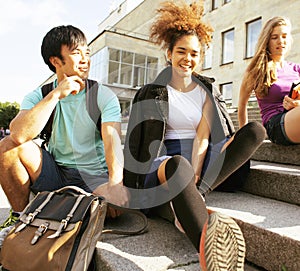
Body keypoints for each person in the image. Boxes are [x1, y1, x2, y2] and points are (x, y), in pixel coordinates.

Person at [123, 1, 266, 270]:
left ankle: (195, 195)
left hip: (203, 159)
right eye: (181, 51)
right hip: (165, 159)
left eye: (194, 53)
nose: (187, 58)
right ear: (169, 53)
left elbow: (203, 137)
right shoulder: (152, 91)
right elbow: (136, 141)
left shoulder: (206, 90)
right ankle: (211, 251)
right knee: (179, 166)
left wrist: (198, 182)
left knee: (255, 130)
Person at [0, 25, 129, 246]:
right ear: (56, 61)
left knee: (117, 210)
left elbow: (112, 142)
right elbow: (19, 135)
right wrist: (56, 94)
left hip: (93, 176)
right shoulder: (39, 96)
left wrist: (116, 184)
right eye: (76, 52)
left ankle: (72, 206)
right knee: (7, 147)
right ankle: (20, 218)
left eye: (87, 52)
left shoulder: (102, 95)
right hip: (56, 174)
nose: (85, 59)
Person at [239, 16, 300, 145]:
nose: (280, 41)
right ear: (267, 41)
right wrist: (242, 140)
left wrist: (296, 104)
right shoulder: (256, 70)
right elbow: (242, 105)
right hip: (276, 124)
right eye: (274, 37)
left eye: (284, 36)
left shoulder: (296, 68)